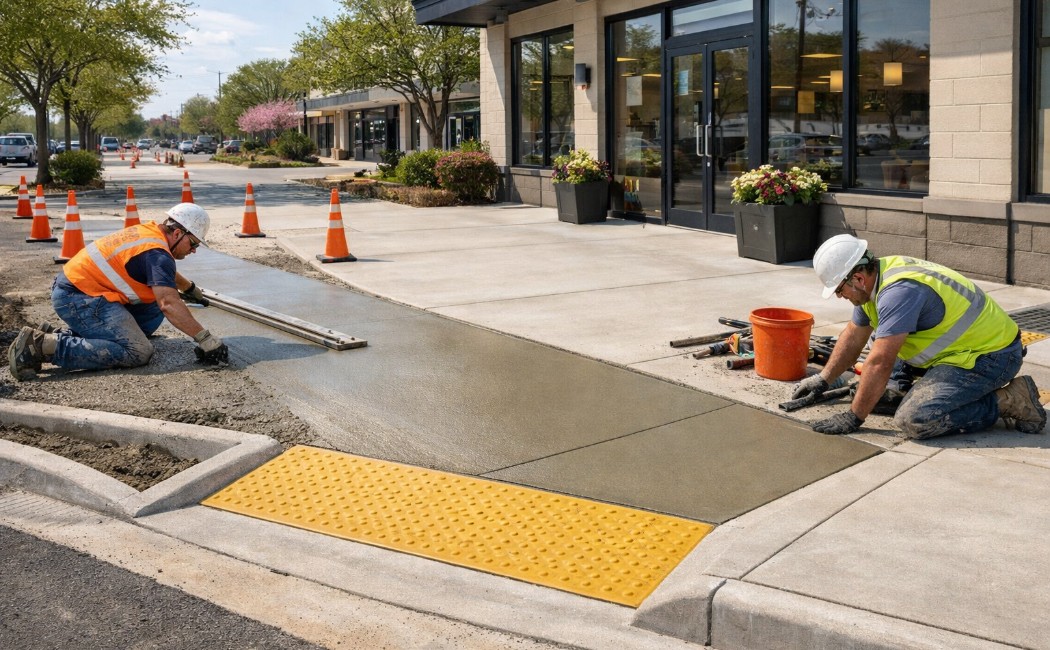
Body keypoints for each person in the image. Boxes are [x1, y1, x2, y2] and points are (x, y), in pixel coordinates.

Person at [791, 234, 1046, 438]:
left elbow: (880, 361)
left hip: (990, 357)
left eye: (838, 289)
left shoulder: (899, 292)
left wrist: (854, 416)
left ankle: (1011, 400)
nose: (838, 296)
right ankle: (904, 391)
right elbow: (853, 336)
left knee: (915, 419)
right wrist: (822, 380)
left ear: (857, 278)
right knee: (876, 393)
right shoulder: (875, 278)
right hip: (958, 350)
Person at [8, 203, 228, 381]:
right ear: (178, 233)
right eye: (193, 243)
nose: (194, 250)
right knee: (138, 351)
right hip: (79, 298)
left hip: (80, 288)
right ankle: (42, 345)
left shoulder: (151, 233)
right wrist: (205, 339)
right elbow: (168, 303)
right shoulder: (158, 255)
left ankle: (57, 334)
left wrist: (189, 288)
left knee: (153, 308)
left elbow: (163, 276)